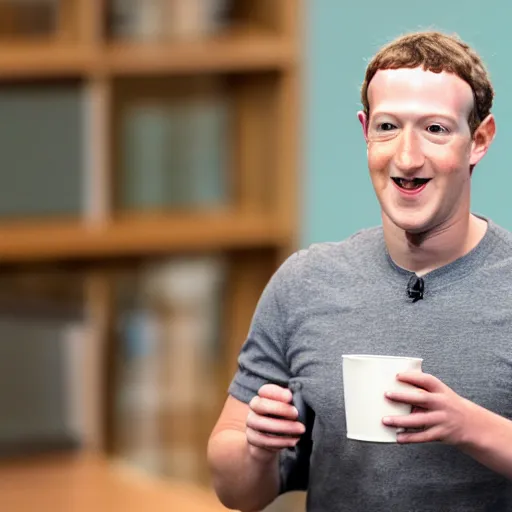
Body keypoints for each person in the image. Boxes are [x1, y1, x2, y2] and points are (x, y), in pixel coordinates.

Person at [207, 30, 512, 512]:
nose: (407, 158)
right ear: (365, 130)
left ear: (479, 140)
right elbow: (237, 491)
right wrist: (256, 448)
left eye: (434, 129)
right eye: (388, 127)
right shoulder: (305, 282)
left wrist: (468, 426)